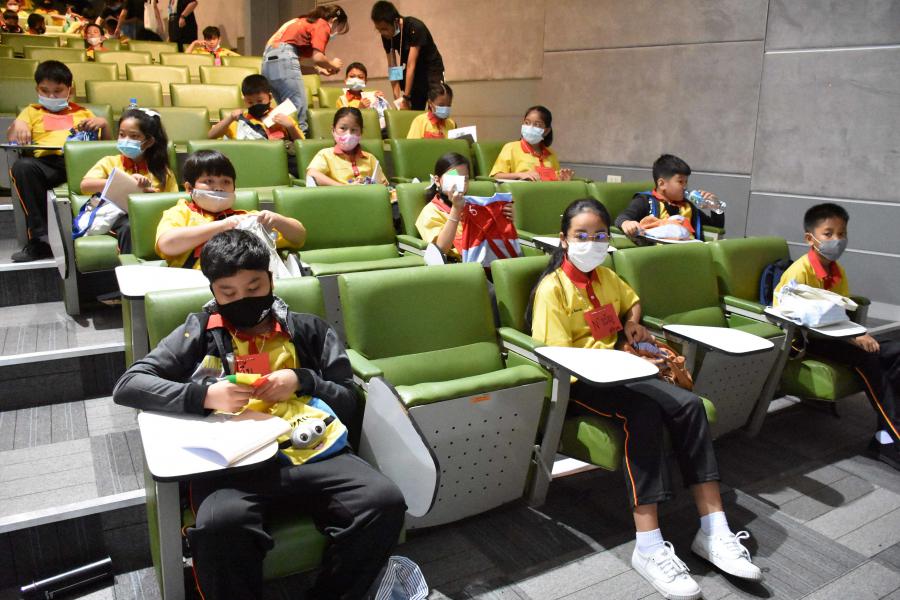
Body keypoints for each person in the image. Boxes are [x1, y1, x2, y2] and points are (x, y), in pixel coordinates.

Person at [113, 228, 406, 600]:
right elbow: (130, 385)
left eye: (254, 287)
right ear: (213, 291)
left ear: (270, 279)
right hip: (233, 463)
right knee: (222, 524)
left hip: (313, 449)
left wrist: (303, 380)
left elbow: (349, 400)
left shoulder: (309, 329)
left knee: (384, 501)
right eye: (228, 293)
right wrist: (205, 395)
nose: (243, 300)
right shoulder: (199, 331)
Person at [529, 198, 761, 600]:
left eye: (599, 235)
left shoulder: (606, 276)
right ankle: (649, 545)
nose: (591, 243)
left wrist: (631, 325)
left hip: (625, 372)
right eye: (581, 235)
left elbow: (632, 300)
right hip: (581, 382)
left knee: (689, 406)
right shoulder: (553, 290)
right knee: (643, 413)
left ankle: (714, 530)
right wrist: (615, 358)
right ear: (564, 239)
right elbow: (559, 358)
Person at [774, 203, 900, 470]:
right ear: (810, 238)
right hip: (809, 340)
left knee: (894, 351)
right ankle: (894, 437)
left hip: (835, 336)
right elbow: (792, 315)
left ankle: (885, 434)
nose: (837, 240)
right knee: (869, 358)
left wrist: (855, 334)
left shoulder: (836, 271)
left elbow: (839, 311)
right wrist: (855, 338)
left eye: (842, 234)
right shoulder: (799, 271)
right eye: (829, 234)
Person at [6, 60, 109, 262]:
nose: (51, 96)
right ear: (37, 89)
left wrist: (103, 124)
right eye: (45, 91)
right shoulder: (31, 111)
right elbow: (12, 138)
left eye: (58, 91)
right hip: (47, 165)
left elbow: (106, 148)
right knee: (23, 167)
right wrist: (17, 124)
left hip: (81, 165)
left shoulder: (83, 113)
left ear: (70, 90)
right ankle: (40, 240)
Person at [155, 150, 305, 269]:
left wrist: (278, 220)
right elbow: (167, 244)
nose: (219, 187)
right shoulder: (180, 213)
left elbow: (299, 237)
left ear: (234, 188)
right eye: (208, 181)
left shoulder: (245, 218)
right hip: (195, 285)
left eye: (226, 182)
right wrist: (222, 226)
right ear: (189, 188)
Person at [79, 108, 176, 253]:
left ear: (148, 142)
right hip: (117, 217)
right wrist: (127, 183)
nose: (125, 140)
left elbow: (172, 201)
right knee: (130, 226)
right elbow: (85, 186)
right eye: (122, 134)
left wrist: (149, 196)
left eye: (134, 136)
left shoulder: (162, 171)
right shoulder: (109, 162)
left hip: (151, 217)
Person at [262, 5, 348, 136]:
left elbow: (289, 65)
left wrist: (319, 70)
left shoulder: (299, 22)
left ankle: (276, 138)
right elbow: (318, 58)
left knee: (286, 113)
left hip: (267, 65)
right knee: (299, 114)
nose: (335, 33)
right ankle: (302, 145)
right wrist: (333, 64)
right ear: (334, 20)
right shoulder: (322, 24)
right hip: (283, 61)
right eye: (338, 29)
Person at [208, 74, 304, 176]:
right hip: (250, 166)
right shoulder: (240, 120)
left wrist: (290, 127)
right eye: (250, 102)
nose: (255, 105)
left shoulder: (282, 117)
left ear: (270, 97)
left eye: (259, 101)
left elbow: (302, 146)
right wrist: (230, 118)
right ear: (244, 100)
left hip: (279, 165)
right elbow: (210, 136)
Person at [615, 154, 723, 242]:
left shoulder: (687, 206)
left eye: (686, 182)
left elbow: (716, 227)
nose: (685, 186)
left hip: (691, 252)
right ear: (662, 184)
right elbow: (623, 217)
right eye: (680, 182)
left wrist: (715, 207)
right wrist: (627, 223)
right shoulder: (645, 201)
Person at [371, 1, 444, 111]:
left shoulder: (415, 27)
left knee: (435, 109)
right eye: (379, 30)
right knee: (413, 109)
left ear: (395, 21)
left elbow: (411, 65)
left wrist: (406, 97)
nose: (382, 33)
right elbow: (392, 66)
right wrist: (397, 97)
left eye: (384, 29)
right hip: (414, 73)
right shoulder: (386, 36)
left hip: (431, 70)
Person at [306, 107, 387, 187]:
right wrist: (344, 187)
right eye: (343, 128)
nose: (349, 134)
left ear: (361, 132)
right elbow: (312, 174)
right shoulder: (325, 155)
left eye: (354, 130)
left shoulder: (370, 158)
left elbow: (383, 183)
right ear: (333, 130)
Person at [490, 105, 574, 181]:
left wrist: (563, 179)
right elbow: (496, 176)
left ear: (546, 131)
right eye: (527, 123)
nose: (530, 127)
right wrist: (520, 175)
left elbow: (554, 181)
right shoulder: (511, 147)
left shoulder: (551, 154)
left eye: (537, 125)